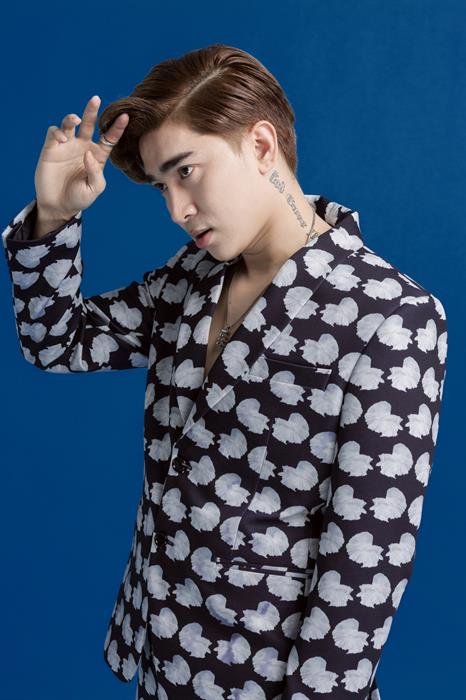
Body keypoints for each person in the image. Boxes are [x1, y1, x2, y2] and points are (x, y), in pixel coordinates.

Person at [2, 44, 448, 700]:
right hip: (160, 654)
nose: (176, 208)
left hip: (267, 679)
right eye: (163, 186)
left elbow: (364, 568)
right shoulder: (190, 278)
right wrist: (54, 215)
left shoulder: (391, 316)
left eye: (186, 171)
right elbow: (56, 341)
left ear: (261, 146)